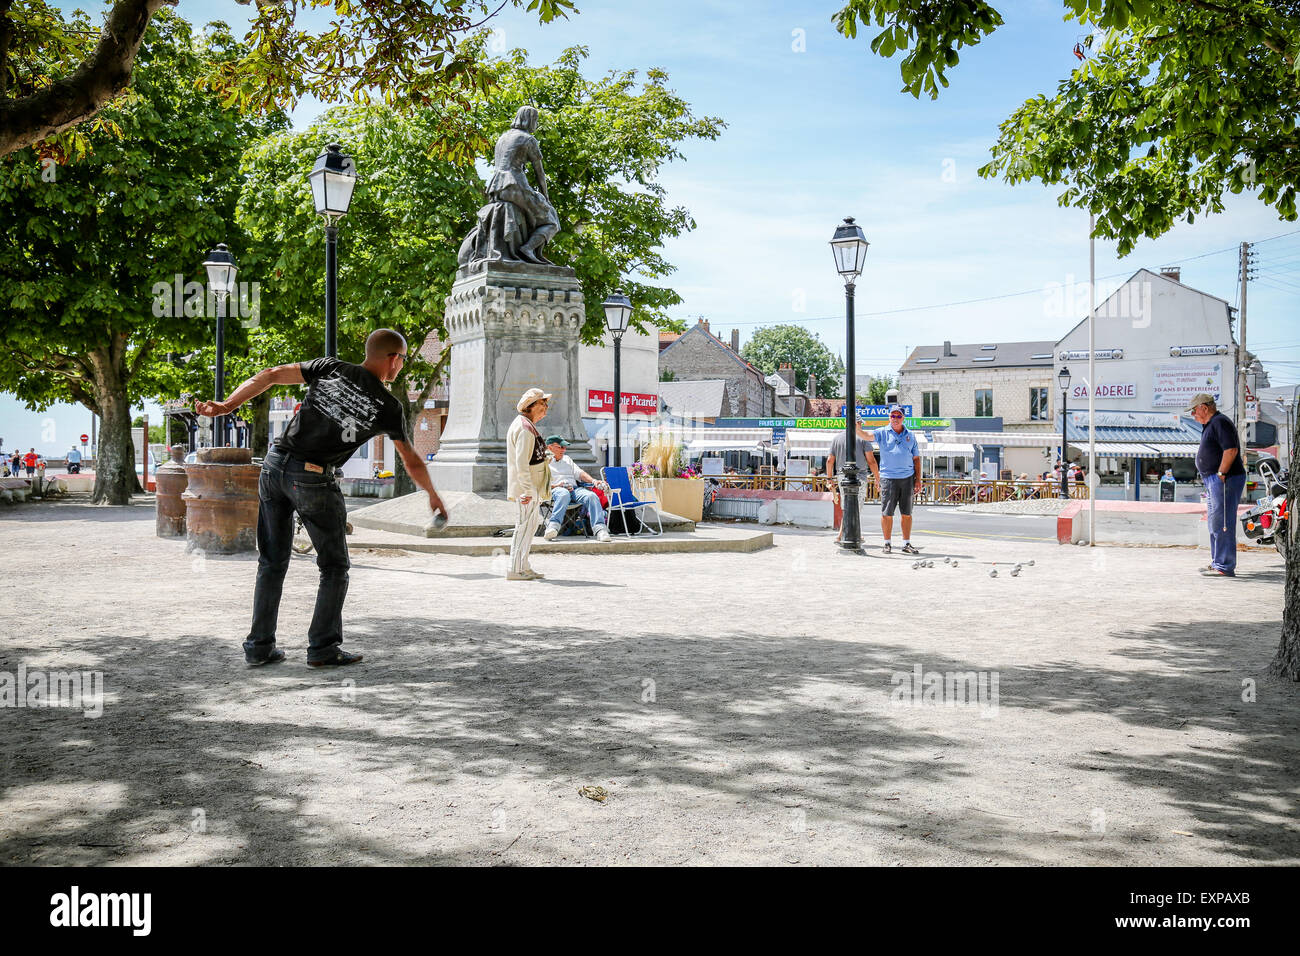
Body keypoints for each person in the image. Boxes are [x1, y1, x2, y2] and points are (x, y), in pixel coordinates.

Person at [194, 328, 448, 667]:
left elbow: (270, 375)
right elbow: (411, 459)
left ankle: (259, 647)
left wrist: (227, 405)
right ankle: (323, 648)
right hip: (312, 477)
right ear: (393, 359)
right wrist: (433, 494)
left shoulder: (330, 367)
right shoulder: (388, 406)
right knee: (334, 567)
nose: (401, 366)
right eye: (402, 359)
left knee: (271, 561)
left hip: (273, 467)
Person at [1188, 392, 1246, 577]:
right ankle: (1218, 562)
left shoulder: (1219, 422)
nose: (1192, 415)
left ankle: (1224, 565)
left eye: (1194, 411)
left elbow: (1231, 450)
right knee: (1215, 522)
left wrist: (1221, 473)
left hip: (1224, 479)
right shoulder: (1211, 424)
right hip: (1215, 480)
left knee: (1222, 523)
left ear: (1204, 408)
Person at [858, 406, 922, 553]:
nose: (895, 419)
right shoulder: (882, 432)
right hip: (888, 478)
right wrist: (857, 426)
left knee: (907, 513)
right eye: (892, 416)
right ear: (889, 417)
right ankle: (887, 543)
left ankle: (906, 544)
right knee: (887, 513)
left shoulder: (910, 435)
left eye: (898, 416)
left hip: (907, 478)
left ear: (903, 418)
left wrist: (918, 479)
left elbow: (917, 459)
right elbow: (867, 436)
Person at [506, 387, 552, 580]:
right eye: (542, 404)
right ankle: (516, 568)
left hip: (531, 487)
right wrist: (528, 490)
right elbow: (521, 463)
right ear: (531, 406)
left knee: (529, 526)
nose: (545, 409)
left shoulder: (525, 425)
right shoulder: (525, 428)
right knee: (524, 527)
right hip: (528, 488)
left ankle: (523, 565)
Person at [542, 435, 612, 542]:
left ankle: (600, 530)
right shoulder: (543, 462)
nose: (564, 449)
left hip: (574, 489)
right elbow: (539, 483)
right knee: (563, 493)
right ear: (550, 447)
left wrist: (594, 481)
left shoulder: (567, 459)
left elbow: (580, 474)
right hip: (555, 490)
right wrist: (558, 486)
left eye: (565, 447)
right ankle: (553, 527)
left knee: (591, 496)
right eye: (560, 447)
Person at [827, 419, 879, 545]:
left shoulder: (837, 438)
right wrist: (877, 478)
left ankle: (854, 533)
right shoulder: (862, 439)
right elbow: (871, 461)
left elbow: (829, 461)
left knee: (847, 505)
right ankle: (841, 535)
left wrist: (829, 479)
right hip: (859, 476)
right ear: (857, 424)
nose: (861, 426)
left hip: (841, 476)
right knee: (855, 506)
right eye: (860, 424)